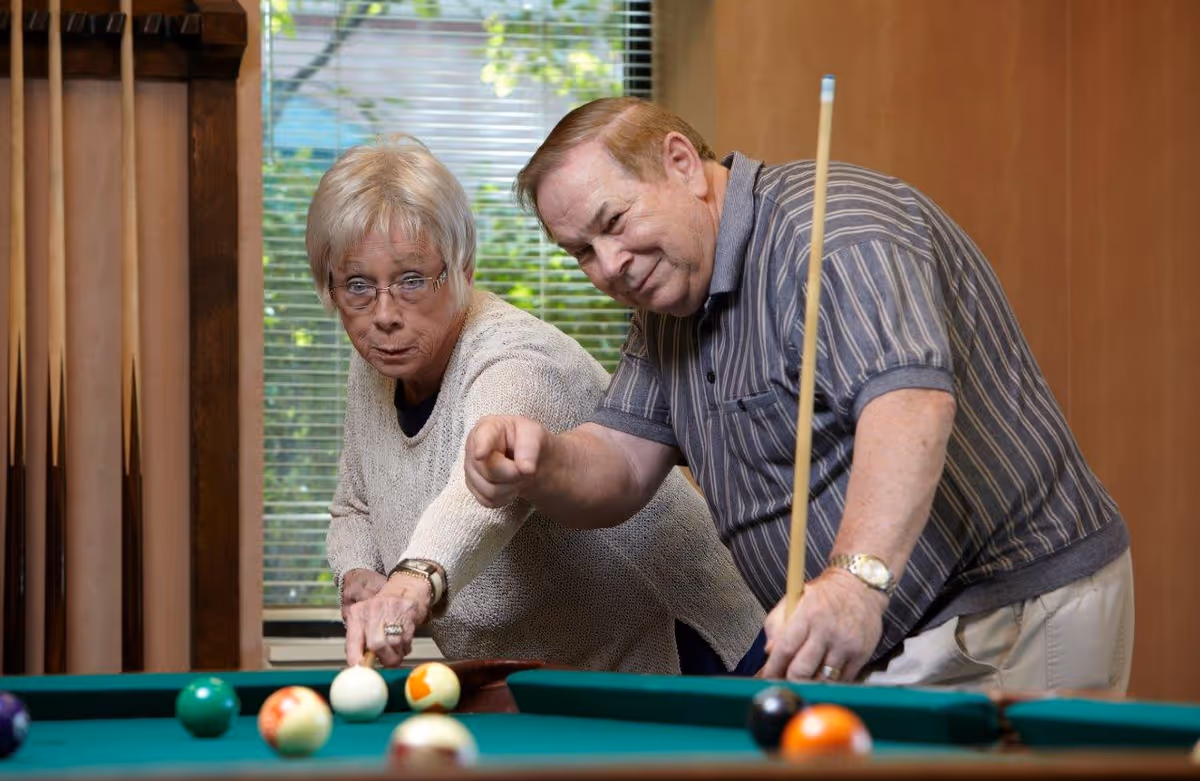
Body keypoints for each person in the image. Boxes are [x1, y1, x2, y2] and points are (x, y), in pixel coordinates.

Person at [464, 97, 1134, 693]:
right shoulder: (668, 304)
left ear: (681, 165)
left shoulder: (835, 233)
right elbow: (619, 462)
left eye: (613, 223)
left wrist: (851, 583)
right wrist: (539, 462)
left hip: (1005, 608)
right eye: (580, 251)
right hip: (880, 628)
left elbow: (910, 408)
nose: (608, 267)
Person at [309, 135, 765, 675]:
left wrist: (409, 587)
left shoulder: (517, 358)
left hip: (679, 651)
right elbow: (355, 505)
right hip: (544, 677)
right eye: (358, 286)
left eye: (411, 280)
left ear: (463, 268)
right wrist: (361, 576)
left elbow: (481, 496)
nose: (383, 313)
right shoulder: (377, 365)